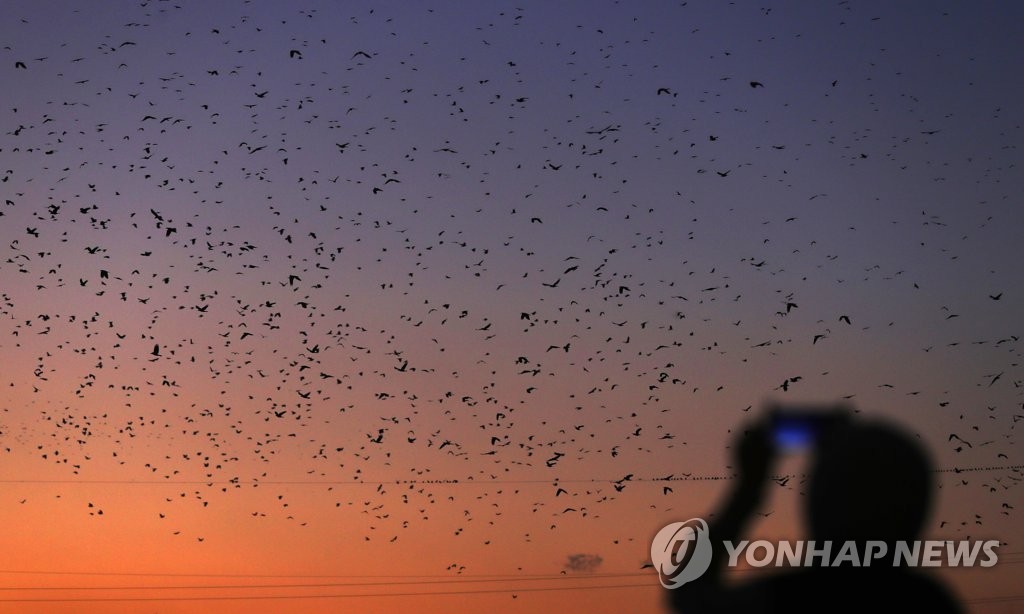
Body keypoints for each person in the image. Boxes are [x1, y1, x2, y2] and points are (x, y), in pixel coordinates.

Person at [667, 405, 963, 613]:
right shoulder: (930, 602)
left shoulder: (788, 600)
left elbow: (691, 595)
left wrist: (747, 488)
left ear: (821, 499)